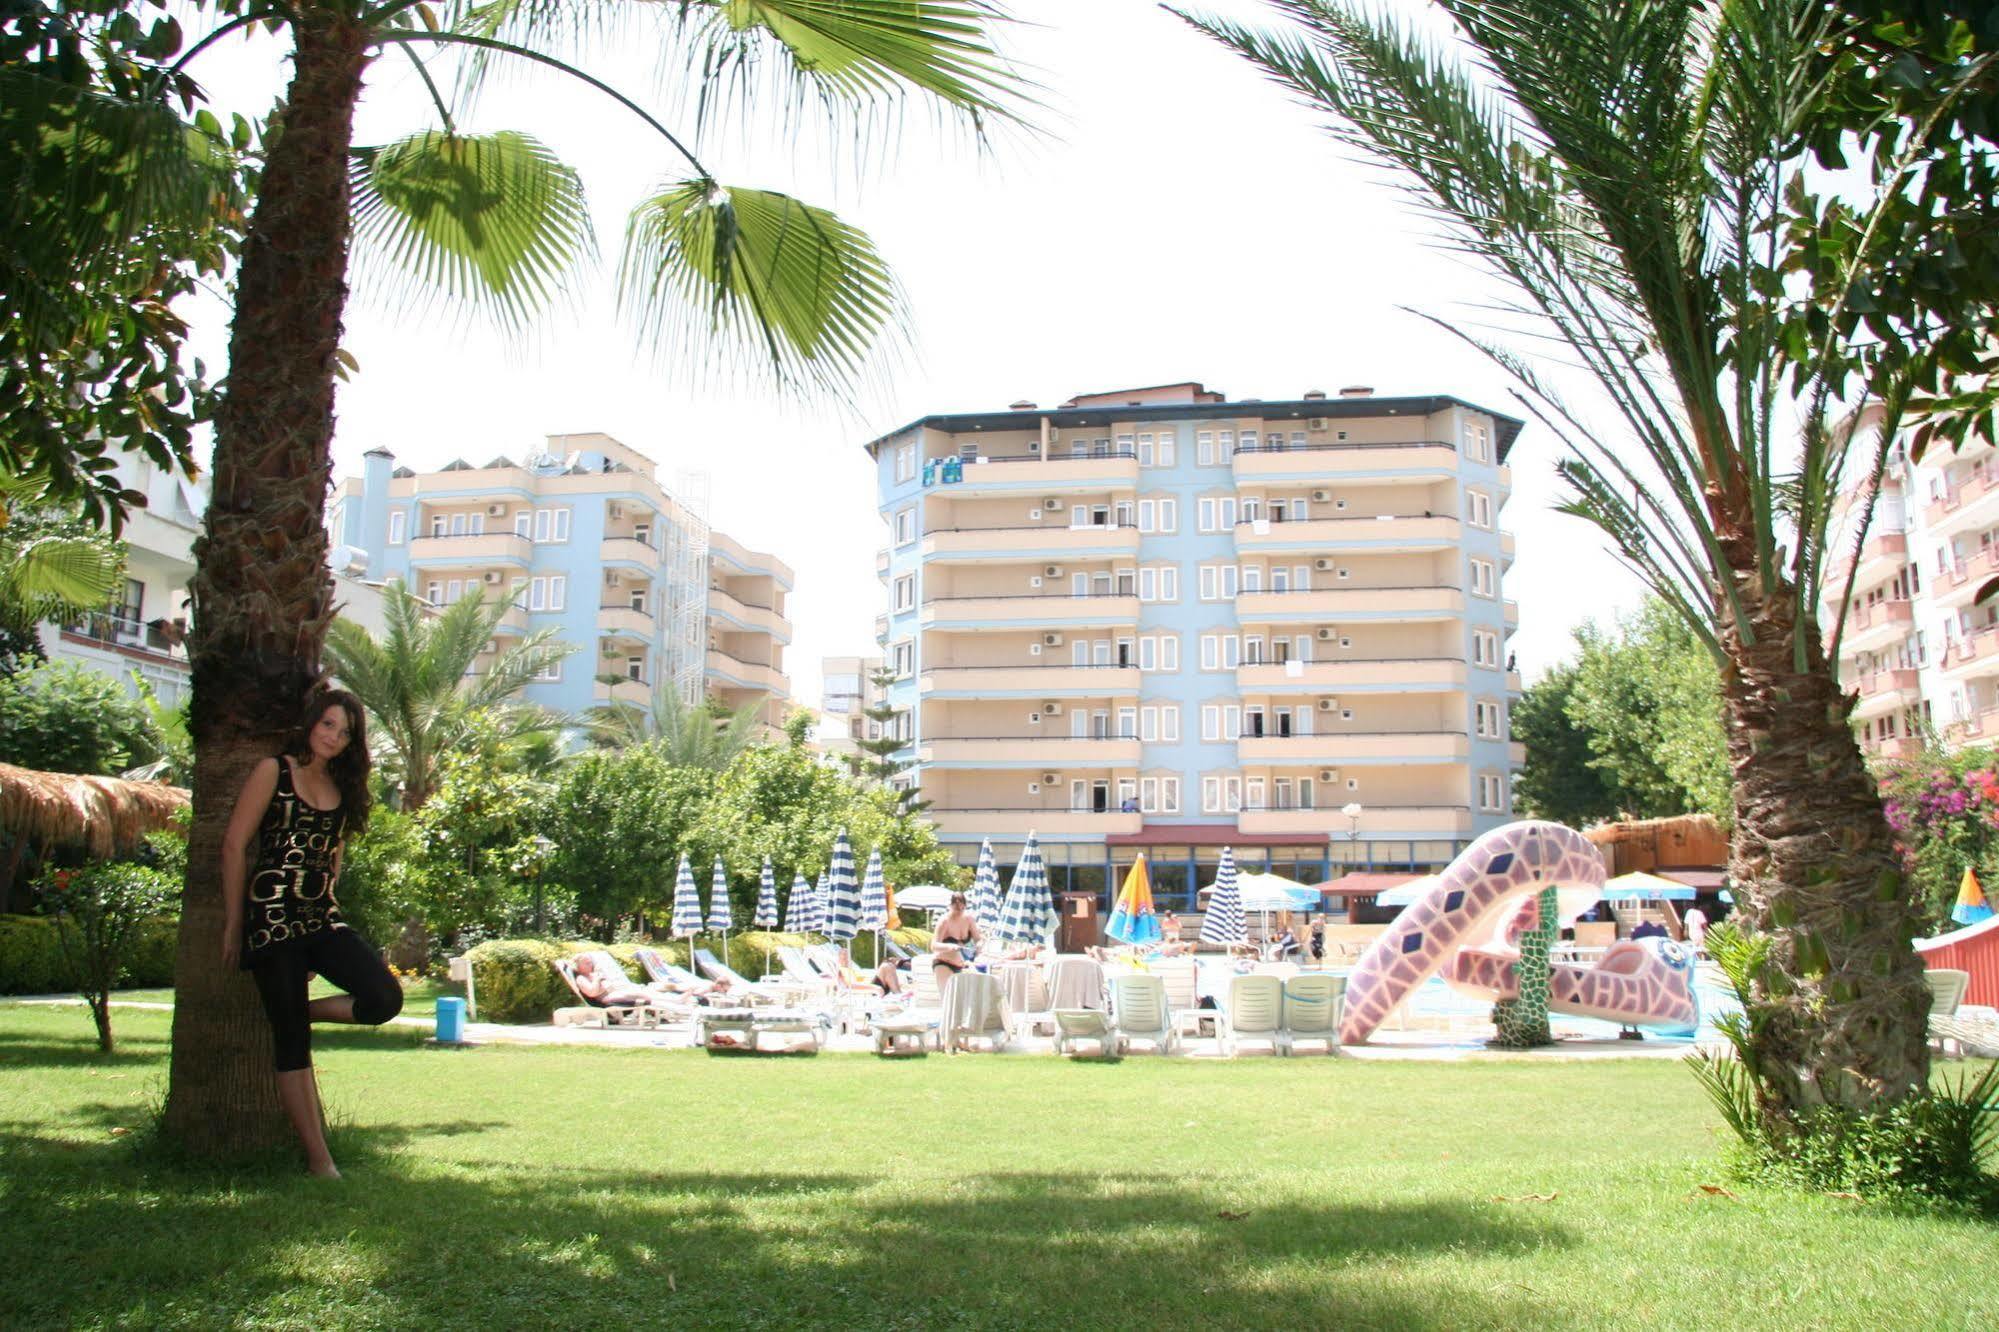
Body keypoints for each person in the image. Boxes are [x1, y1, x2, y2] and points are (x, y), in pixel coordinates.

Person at [221, 688, 402, 1179]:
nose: (334, 738)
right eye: (328, 725)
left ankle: (295, 1012)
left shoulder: (345, 786)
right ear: (310, 722)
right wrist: (236, 921)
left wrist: (330, 898)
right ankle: (320, 1160)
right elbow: (236, 844)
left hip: (320, 915)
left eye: (344, 733)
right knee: (291, 1044)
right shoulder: (273, 771)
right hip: (271, 914)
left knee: (383, 998)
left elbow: (334, 854)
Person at [931, 891, 982, 993]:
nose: (959, 910)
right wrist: (949, 946)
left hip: (963, 963)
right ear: (950, 906)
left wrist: (979, 946)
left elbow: (978, 938)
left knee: (968, 995)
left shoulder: (969, 919)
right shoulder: (944, 921)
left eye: (961, 908)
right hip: (944, 962)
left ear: (965, 906)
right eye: (956, 908)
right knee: (946, 996)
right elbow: (934, 946)